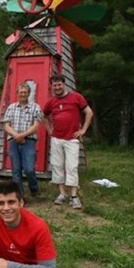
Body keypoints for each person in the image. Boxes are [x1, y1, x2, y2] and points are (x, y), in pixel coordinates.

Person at [42, 74, 94, 209]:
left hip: (72, 139)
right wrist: (49, 130)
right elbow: (43, 116)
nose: (57, 87)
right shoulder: (50, 102)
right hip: (56, 139)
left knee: (72, 166)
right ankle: (62, 194)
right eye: (54, 85)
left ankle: (74, 196)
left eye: (59, 84)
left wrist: (83, 130)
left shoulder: (76, 97)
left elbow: (89, 112)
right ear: (51, 87)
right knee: (57, 165)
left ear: (64, 84)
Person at [3, 83, 43, 201]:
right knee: (16, 171)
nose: (23, 94)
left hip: (29, 141)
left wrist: (22, 135)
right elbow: (6, 126)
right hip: (14, 141)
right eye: (21, 92)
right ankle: (20, 197)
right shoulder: (11, 107)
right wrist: (16, 135)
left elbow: (36, 126)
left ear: (29, 93)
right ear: (17, 93)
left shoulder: (35, 107)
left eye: (25, 92)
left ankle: (34, 189)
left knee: (29, 169)